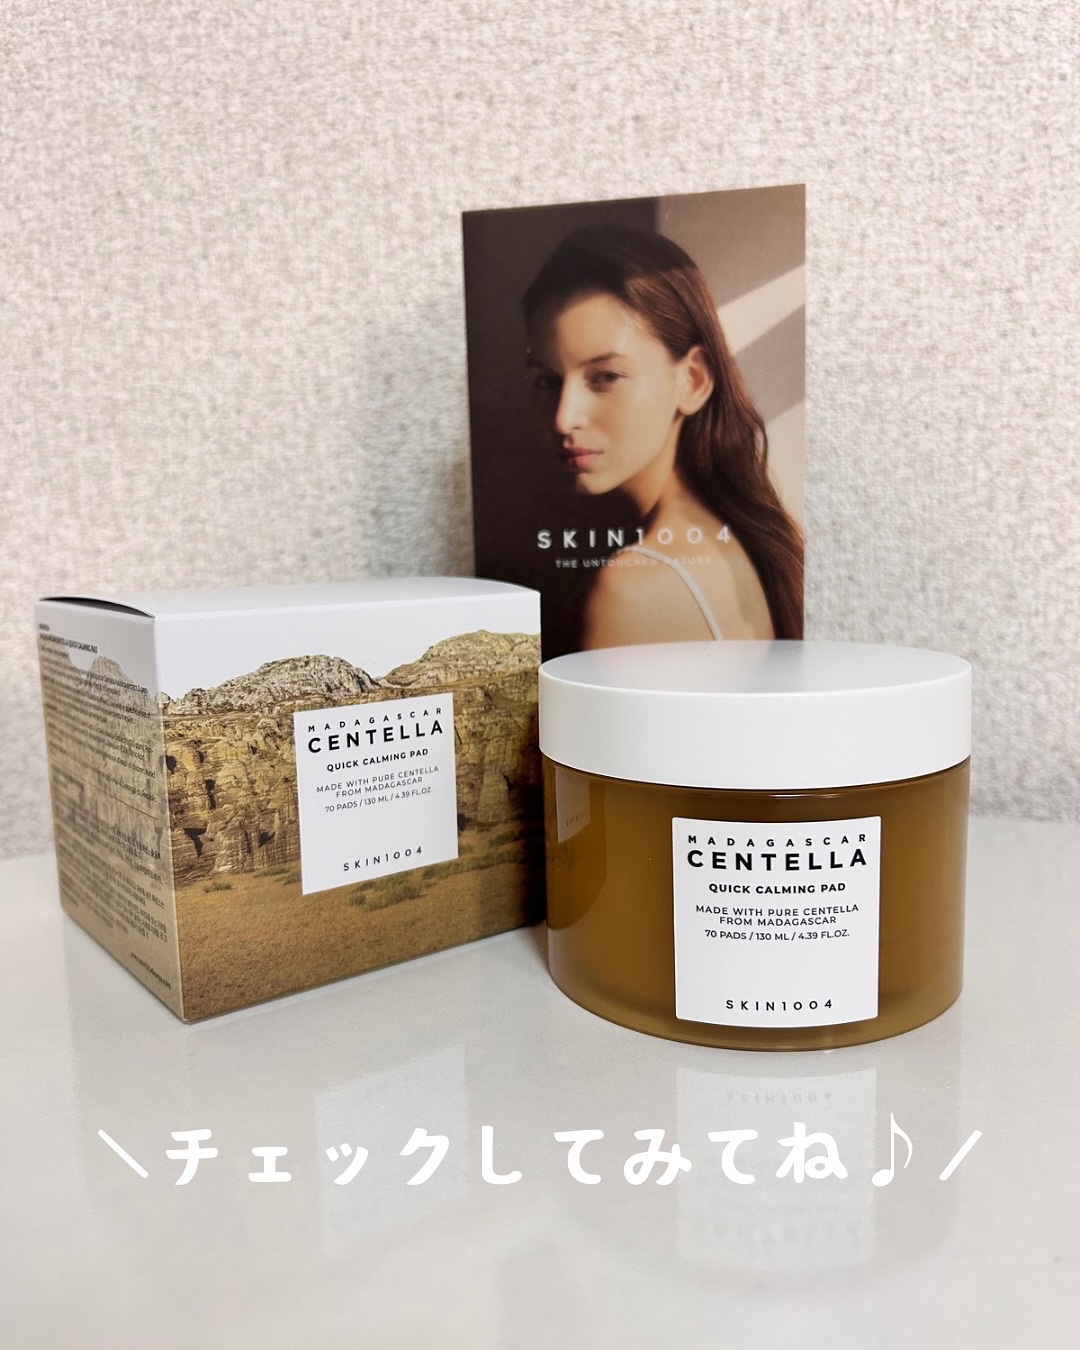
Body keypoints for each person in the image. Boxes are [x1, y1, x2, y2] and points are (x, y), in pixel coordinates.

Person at [523, 224, 803, 647]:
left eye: (605, 376)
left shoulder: (633, 592)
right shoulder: (753, 537)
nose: (564, 419)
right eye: (548, 381)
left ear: (693, 380)